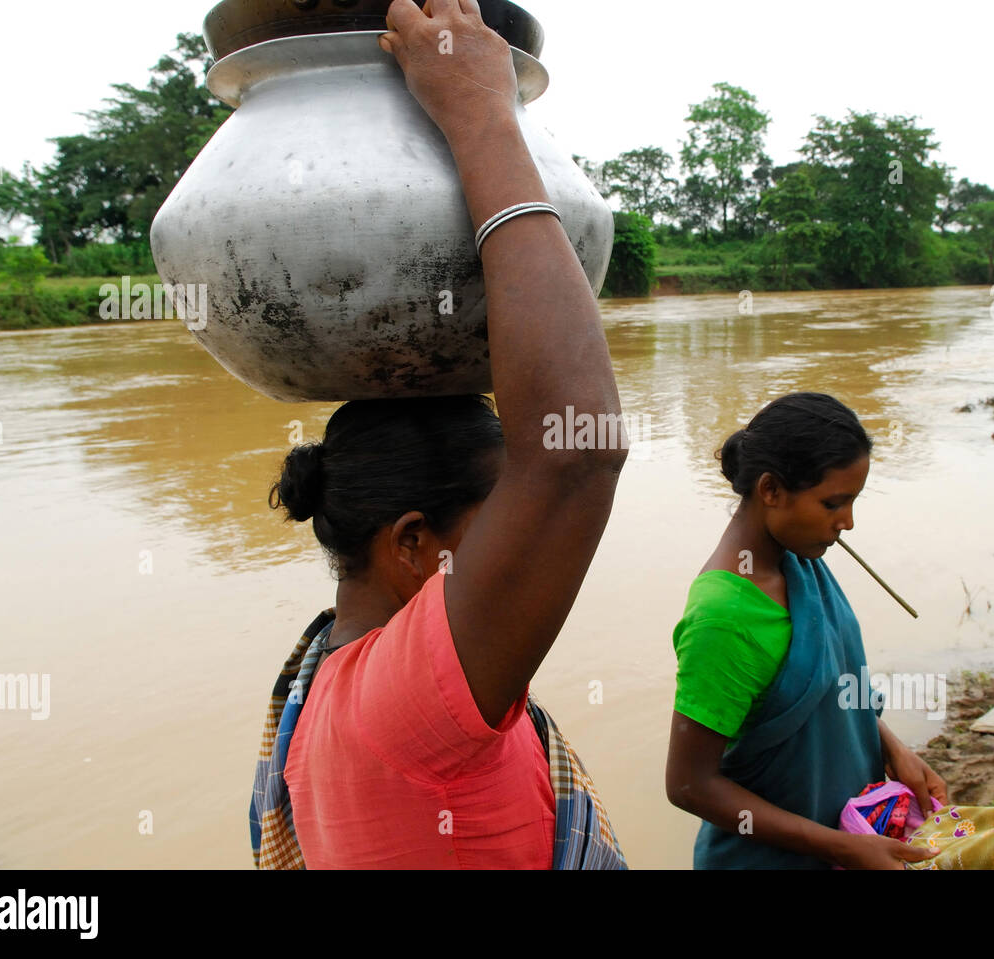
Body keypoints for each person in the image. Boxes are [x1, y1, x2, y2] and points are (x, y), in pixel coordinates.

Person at [249, 0, 628, 869]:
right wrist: (478, 108)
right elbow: (574, 453)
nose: (523, 543)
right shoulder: (404, 704)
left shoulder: (333, 681)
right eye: (498, 516)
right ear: (414, 544)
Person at [664, 392, 948, 869]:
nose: (848, 523)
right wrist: (839, 846)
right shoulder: (724, 619)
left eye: (853, 501)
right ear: (771, 490)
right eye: (833, 503)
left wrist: (895, 750)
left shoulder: (800, 559)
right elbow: (689, 784)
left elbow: (828, 691)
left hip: (853, 842)